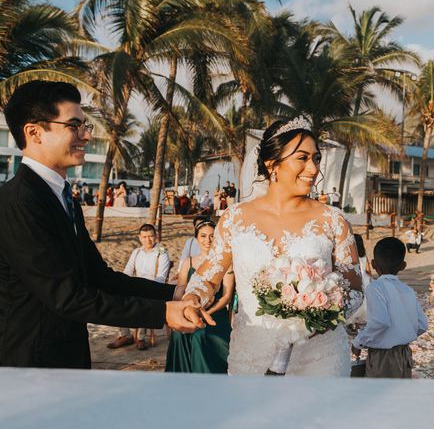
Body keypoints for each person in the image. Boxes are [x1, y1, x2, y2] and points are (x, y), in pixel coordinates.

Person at [0, 81, 203, 369]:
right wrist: (164, 313)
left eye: (85, 125)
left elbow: (99, 277)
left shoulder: (63, 198)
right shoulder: (18, 203)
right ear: (34, 132)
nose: (86, 135)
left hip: (69, 354)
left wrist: (173, 293)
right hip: (30, 361)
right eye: (74, 126)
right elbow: (67, 297)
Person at [182, 116, 363, 376]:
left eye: (316, 158)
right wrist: (193, 297)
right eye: (302, 158)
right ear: (272, 165)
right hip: (253, 355)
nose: (313, 169)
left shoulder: (333, 220)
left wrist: (322, 312)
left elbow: (355, 287)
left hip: (320, 358)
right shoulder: (235, 218)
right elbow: (210, 274)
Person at [352, 237, 427, 378]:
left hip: (382, 357)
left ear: (373, 264)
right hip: (404, 354)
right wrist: (402, 335)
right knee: (401, 397)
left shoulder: (375, 288)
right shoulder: (407, 290)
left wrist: (358, 342)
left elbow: (380, 322)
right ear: (403, 266)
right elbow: (422, 324)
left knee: (380, 396)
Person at [166, 220, 234, 373]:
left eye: (212, 236)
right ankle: (181, 380)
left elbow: (226, 297)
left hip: (216, 312)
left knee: (200, 335)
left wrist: (206, 314)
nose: (207, 240)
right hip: (189, 308)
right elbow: (180, 288)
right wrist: (178, 307)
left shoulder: (226, 263)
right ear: (196, 238)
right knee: (178, 333)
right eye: (203, 236)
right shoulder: (188, 262)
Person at [108, 224, 172, 351]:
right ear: (139, 238)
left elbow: (160, 278)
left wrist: (142, 287)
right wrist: (122, 285)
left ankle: (140, 337)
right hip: (136, 284)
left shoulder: (162, 253)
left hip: (153, 286)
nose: (148, 240)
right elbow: (127, 271)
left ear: (156, 236)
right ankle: (125, 335)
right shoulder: (136, 252)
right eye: (144, 237)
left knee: (144, 297)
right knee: (117, 295)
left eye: (151, 236)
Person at [348, 233, 372, 325]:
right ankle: (364, 317)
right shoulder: (364, 256)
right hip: (365, 278)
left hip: (356, 277)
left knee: (355, 296)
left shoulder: (351, 256)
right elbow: (368, 270)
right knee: (365, 298)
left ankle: (354, 317)